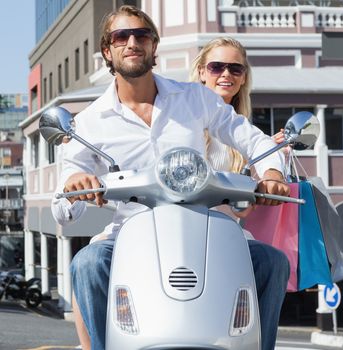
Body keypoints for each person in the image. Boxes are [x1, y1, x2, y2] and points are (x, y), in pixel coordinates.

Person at [51, 6, 290, 350]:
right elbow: (63, 207)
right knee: (87, 264)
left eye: (142, 35)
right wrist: (75, 183)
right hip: (130, 234)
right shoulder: (90, 122)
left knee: (271, 262)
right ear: (108, 50)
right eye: (121, 36)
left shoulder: (194, 98)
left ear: (154, 46)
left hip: (205, 230)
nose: (132, 42)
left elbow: (248, 135)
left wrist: (270, 171)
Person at [189, 37, 290, 350]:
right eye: (217, 66)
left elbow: (244, 210)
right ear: (202, 72)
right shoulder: (180, 120)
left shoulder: (246, 135)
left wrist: (273, 167)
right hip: (174, 225)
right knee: (96, 258)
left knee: (272, 261)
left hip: (223, 232)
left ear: (244, 76)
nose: (226, 74)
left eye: (236, 68)